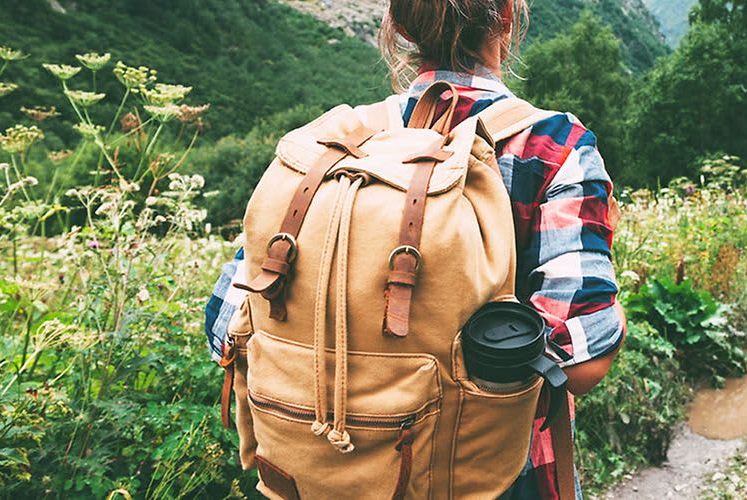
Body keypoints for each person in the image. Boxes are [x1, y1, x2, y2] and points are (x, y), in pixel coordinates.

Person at [204, 1, 625, 498]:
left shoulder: (336, 147)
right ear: (509, 15)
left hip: (322, 475)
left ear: (399, 27)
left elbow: (224, 325)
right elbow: (581, 364)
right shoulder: (551, 147)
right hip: (502, 477)